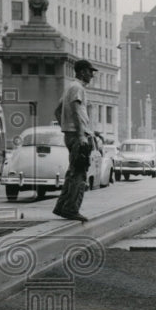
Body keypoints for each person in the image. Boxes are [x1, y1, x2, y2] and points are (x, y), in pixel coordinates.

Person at [52, 59, 98, 222]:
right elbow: (78, 111)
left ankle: (61, 207)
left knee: (72, 173)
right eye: (90, 71)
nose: (92, 75)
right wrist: (80, 134)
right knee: (79, 174)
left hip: (71, 135)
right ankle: (71, 209)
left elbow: (57, 110)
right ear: (82, 71)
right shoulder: (77, 88)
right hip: (78, 137)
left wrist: (66, 126)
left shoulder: (69, 88)